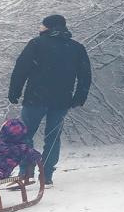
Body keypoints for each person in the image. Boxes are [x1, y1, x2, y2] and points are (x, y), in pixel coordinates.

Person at [8, 14, 92, 185]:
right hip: (61, 101)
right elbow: (85, 76)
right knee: (53, 137)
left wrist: (14, 91)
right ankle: (46, 175)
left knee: (25, 134)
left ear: (48, 27)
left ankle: (26, 170)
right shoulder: (76, 48)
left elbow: (21, 68)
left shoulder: (36, 44)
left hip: (35, 99)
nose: (40, 27)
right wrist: (79, 97)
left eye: (42, 25)